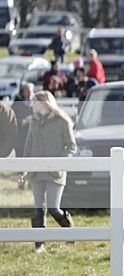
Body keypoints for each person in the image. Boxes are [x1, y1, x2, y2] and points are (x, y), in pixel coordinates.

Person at [22, 91, 77, 252]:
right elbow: (28, 147)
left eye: (35, 102)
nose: (32, 105)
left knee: (53, 207)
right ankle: (39, 245)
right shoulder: (34, 121)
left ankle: (71, 234)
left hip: (55, 172)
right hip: (36, 172)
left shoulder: (62, 121)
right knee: (39, 209)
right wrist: (23, 171)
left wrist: (57, 162)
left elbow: (71, 146)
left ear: (44, 103)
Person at [12, 82, 34, 159]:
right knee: (21, 153)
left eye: (30, 90)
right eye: (27, 90)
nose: (29, 92)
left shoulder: (36, 103)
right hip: (21, 134)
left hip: (33, 134)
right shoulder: (17, 104)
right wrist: (21, 121)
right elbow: (12, 118)